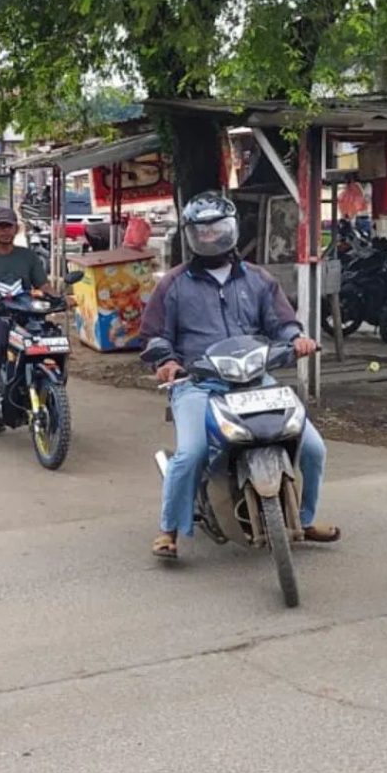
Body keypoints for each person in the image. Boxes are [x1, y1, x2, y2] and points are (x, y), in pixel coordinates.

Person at [139, 191, 340, 560]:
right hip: (197, 383)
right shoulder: (173, 284)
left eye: (218, 228)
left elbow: (282, 323)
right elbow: (154, 335)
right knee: (191, 453)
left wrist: (297, 340)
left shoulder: (259, 280)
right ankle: (168, 530)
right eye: (203, 230)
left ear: (231, 230)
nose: (211, 236)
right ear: (191, 235)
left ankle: (305, 518)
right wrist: (165, 362)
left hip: (255, 380)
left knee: (312, 447)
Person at [0, 206, 69, 423]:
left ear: (17, 229)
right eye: (0, 226)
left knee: (55, 340)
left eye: (8, 226)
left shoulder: (29, 257)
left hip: (28, 316)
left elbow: (44, 286)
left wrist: (61, 298)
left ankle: (49, 390)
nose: (5, 231)